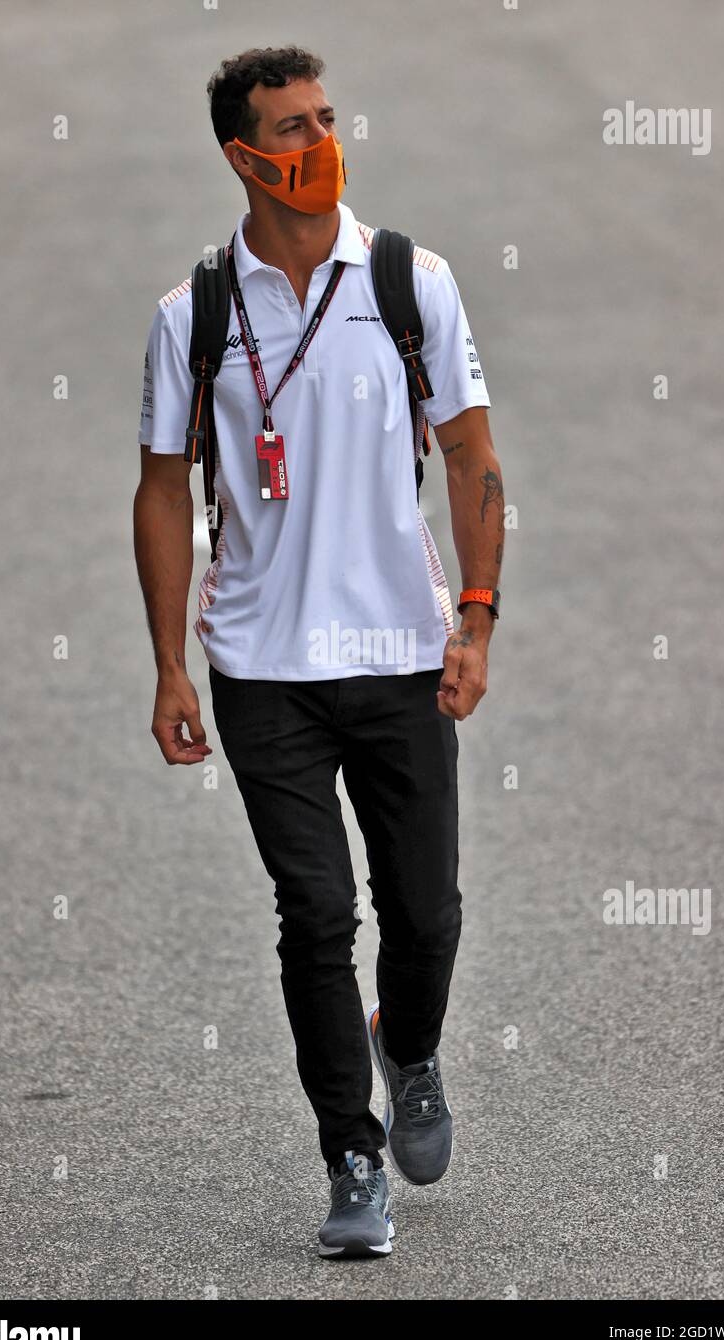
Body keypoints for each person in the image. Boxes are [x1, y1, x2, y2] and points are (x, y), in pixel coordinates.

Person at [134, 45, 505, 1259]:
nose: (318, 143)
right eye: (291, 129)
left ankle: (409, 1046)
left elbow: (468, 454)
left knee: (427, 913)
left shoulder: (407, 281)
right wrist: (170, 664)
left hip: (399, 650)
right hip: (260, 667)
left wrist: (476, 614)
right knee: (314, 912)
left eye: (327, 118)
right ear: (243, 157)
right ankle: (350, 1154)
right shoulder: (192, 316)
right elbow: (159, 487)